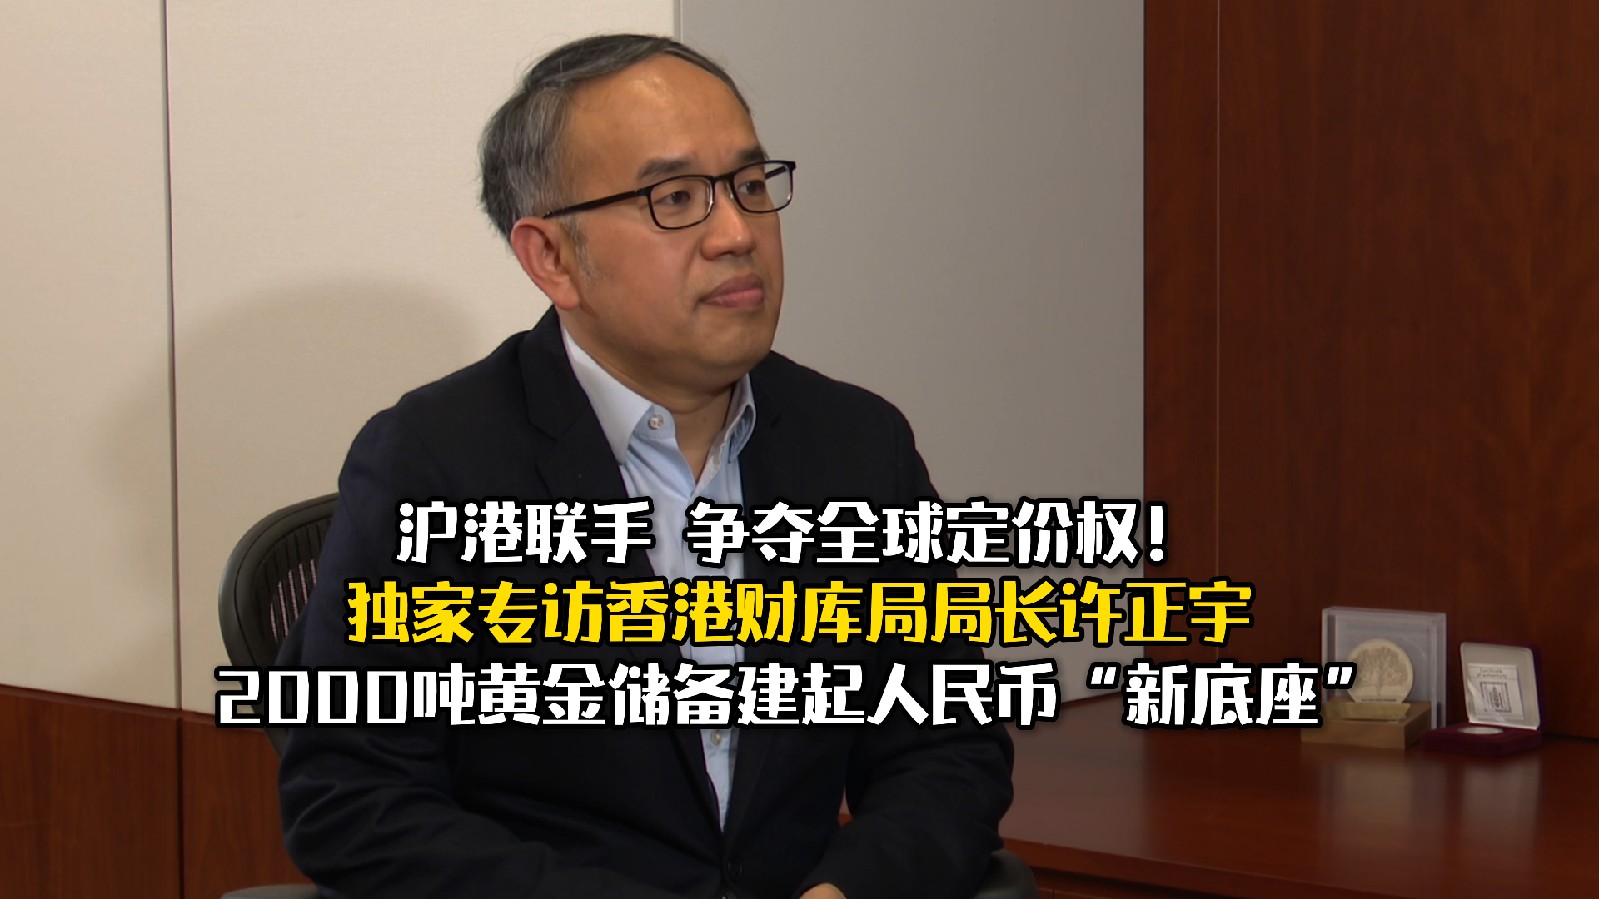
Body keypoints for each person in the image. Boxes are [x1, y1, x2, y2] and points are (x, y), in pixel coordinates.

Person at [277, 33, 1013, 899]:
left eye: (749, 184)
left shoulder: (855, 445)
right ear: (552, 258)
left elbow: (946, 747)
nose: (736, 233)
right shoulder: (435, 460)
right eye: (675, 199)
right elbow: (353, 800)